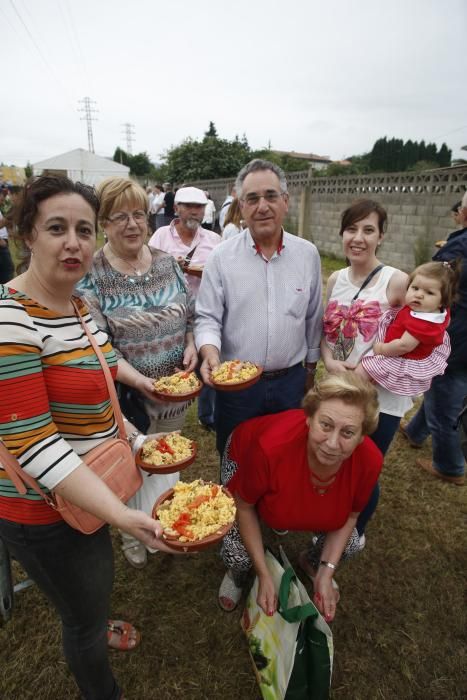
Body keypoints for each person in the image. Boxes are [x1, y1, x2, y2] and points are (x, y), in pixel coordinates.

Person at [0, 175, 175, 700]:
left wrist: (140, 441)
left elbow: (100, 392)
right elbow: (35, 444)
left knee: (88, 592)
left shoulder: (75, 307)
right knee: (80, 615)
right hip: (40, 510)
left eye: (83, 229)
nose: (74, 242)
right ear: (28, 235)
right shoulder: (10, 320)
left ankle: (91, 616)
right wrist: (123, 516)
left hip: (85, 496)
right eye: (57, 228)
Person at [77, 177, 198, 568]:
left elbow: (190, 316)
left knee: (169, 458)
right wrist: (143, 382)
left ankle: (166, 518)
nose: (131, 224)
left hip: (175, 392)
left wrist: (192, 346)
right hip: (128, 394)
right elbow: (99, 347)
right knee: (131, 465)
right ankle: (133, 531)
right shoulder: (92, 275)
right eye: (118, 217)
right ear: (103, 224)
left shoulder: (166, 262)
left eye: (137, 215)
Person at [218, 373, 382, 622]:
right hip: (245, 454)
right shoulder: (269, 449)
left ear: (362, 436)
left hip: (289, 489)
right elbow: (244, 506)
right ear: (309, 419)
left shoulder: (370, 461)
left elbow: (351, 516)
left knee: (351, 542)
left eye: (348, 433)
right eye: (325, 425)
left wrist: (327, 573)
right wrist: (263, 574)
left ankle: (314, 563)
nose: (332, 443)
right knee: (234, 547)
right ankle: (238, 573)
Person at [195, 159, 323, 457]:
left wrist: (311, 369)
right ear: (241, 205)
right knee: (235, 455)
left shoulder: (307, 255)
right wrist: (211, 353)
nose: (262, 206)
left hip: (290, 381)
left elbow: (313, 315)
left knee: (284, 457)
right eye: (252, 198)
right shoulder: (221, 258)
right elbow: (207, 317)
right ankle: (231, 503)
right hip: (236, 385)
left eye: (271, 196)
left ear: (286, 202)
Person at [321, 199, 411, 542]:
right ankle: (330, 523)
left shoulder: (396, 282)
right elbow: (325, 332)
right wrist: (329, 361)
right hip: (341, 392)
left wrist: (370, 367)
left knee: (365, 469)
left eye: (368, 230)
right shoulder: (335, 279)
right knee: (336, 463)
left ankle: (352, 535)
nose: (358, 238)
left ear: (381, 236)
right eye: (351, 229)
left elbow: (418, 340)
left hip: (382, 398)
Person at [401, 190, 467, 486]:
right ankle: (416, 431)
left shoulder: (460, 247)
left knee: (444, 394)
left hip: (458, 339)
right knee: (439, 386)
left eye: (460, 208)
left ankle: (450, 466)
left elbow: (434, 287)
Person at [149, 186, 221, 432]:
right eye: (188, 206)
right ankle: (164, 413)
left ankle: (207, 415)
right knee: (171, 365)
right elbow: (144, 271)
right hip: (169, 316)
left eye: (199, 207)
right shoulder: (160, 236)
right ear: (177, 208)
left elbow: (224, 277)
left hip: (205, 313)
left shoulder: (214, 240)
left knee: (211, 361)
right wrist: (169, 266)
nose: (194, 211)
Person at [356, 261, 456, 395]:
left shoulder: (422, 322)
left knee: (360, 373)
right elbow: (447, 321)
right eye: (415, 288)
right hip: (406, 347)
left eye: (429, 293)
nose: (419, 295)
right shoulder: (435, 310)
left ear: (442, 301)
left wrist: (380, 349)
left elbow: (403, 346)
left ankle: (353, 392)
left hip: (399, 355)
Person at [0, 187, 14, 283]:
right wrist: (1, 242)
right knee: (7, 272)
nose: (3, 199)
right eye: (2, 198)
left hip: (4, 244)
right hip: (1, 246)